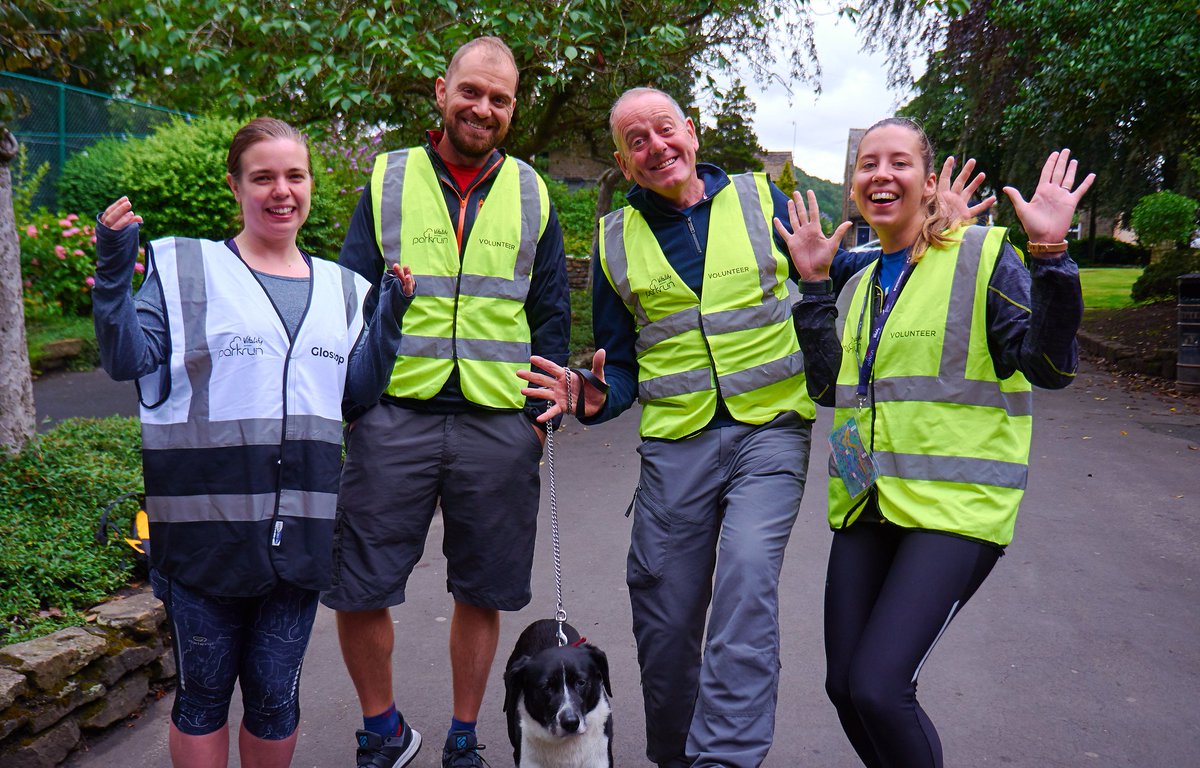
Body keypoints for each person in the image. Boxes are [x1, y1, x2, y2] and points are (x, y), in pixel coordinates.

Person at [91, 117, 415, 768]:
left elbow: (354, 395)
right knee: (203, 698)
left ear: (311, 186)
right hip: (202, 543)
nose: (280, 190)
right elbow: (127, 359)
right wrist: (112, 275)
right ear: (236, 186)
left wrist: (387, 324)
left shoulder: (343, 290)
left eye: (294, 175)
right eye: (262, 176)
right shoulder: (187, 271)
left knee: (273, 699)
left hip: (298, 543)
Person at [775, 116, 1093, 767]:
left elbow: (1050, 370)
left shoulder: (982, 257)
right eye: (868, 164)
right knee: (845, 688)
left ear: (927, 180)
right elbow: (830, 386)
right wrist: (812, 288)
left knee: (880, 687)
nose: (881, 175)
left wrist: (1053, 259)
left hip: (957, 509)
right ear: (855, 183)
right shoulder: (862, 282)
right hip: (870, 502)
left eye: (899, 163)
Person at [523, 85, 822, 768]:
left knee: (747, 577)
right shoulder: (613, 242)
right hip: (675, 445)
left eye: (665, 130)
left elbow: (830, 275)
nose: (656, 147)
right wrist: (595, 395)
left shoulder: (760, 200)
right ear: (625, 166)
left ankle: (725, 758)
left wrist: (827, 278)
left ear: (692, 131)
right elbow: (619, 366)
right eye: (636, 141)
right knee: (663, 615)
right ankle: (675, 757)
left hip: (770, 431)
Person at [321, 36, 571, 768]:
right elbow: (350, 298)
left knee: (481, 588)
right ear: (441, 91)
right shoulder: (389, 177)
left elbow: (550, 311)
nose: (483, 108)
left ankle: (463, 736)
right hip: (393, 414)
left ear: (513, 107)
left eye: (499, 98)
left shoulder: (533, 190)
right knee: (360, 585)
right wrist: (357, 404)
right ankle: (383, 731)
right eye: (471, 91)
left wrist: (535, 421)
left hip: (498, 421)